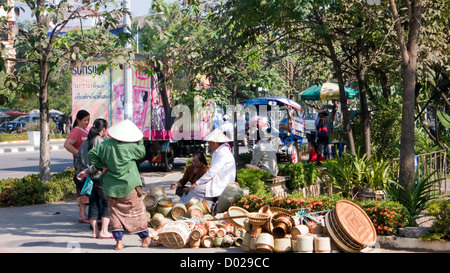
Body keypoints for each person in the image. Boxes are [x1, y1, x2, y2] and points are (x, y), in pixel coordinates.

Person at [88, 119, 151, 250]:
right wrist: (139, 140)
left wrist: (102, 166)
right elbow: (142, 153)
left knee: (114, 213)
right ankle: (145, 239)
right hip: (128, 187)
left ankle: (119, 242)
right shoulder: (131, 147)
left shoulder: (105, 145)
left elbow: (91, 155)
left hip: (110, 187)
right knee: (137, 211)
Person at [75, 118, 112, 239]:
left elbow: (77, 159)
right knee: (106, 203)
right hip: (100, 178)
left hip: (89, 180)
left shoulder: (86, 142)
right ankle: (104, 231)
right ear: (103, 129)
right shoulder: (102, 143)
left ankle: (95, 232)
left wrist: (83, 171)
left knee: (93, 204)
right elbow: (102, 163)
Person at [183, 129, 236, 204]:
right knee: (196, 190)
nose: (208, 144)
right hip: (216, 182)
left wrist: (197, 183)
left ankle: (183, 208)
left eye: (210, 142)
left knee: (195, 190)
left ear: (215, 143)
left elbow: (212, 172)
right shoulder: (218, 151)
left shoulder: (222, 153)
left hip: (220, 184)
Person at [64, 109, 90, 223]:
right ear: (78, 120)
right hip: (81, 165)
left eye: (88, 120)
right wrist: (78, 153)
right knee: (82, 187)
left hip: (86, 163)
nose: (87, 122)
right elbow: (67, 144)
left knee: (86, 187)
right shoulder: (76, 131)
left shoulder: (84, 131)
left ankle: (83, 213)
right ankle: (82, 214)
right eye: (85, 120)